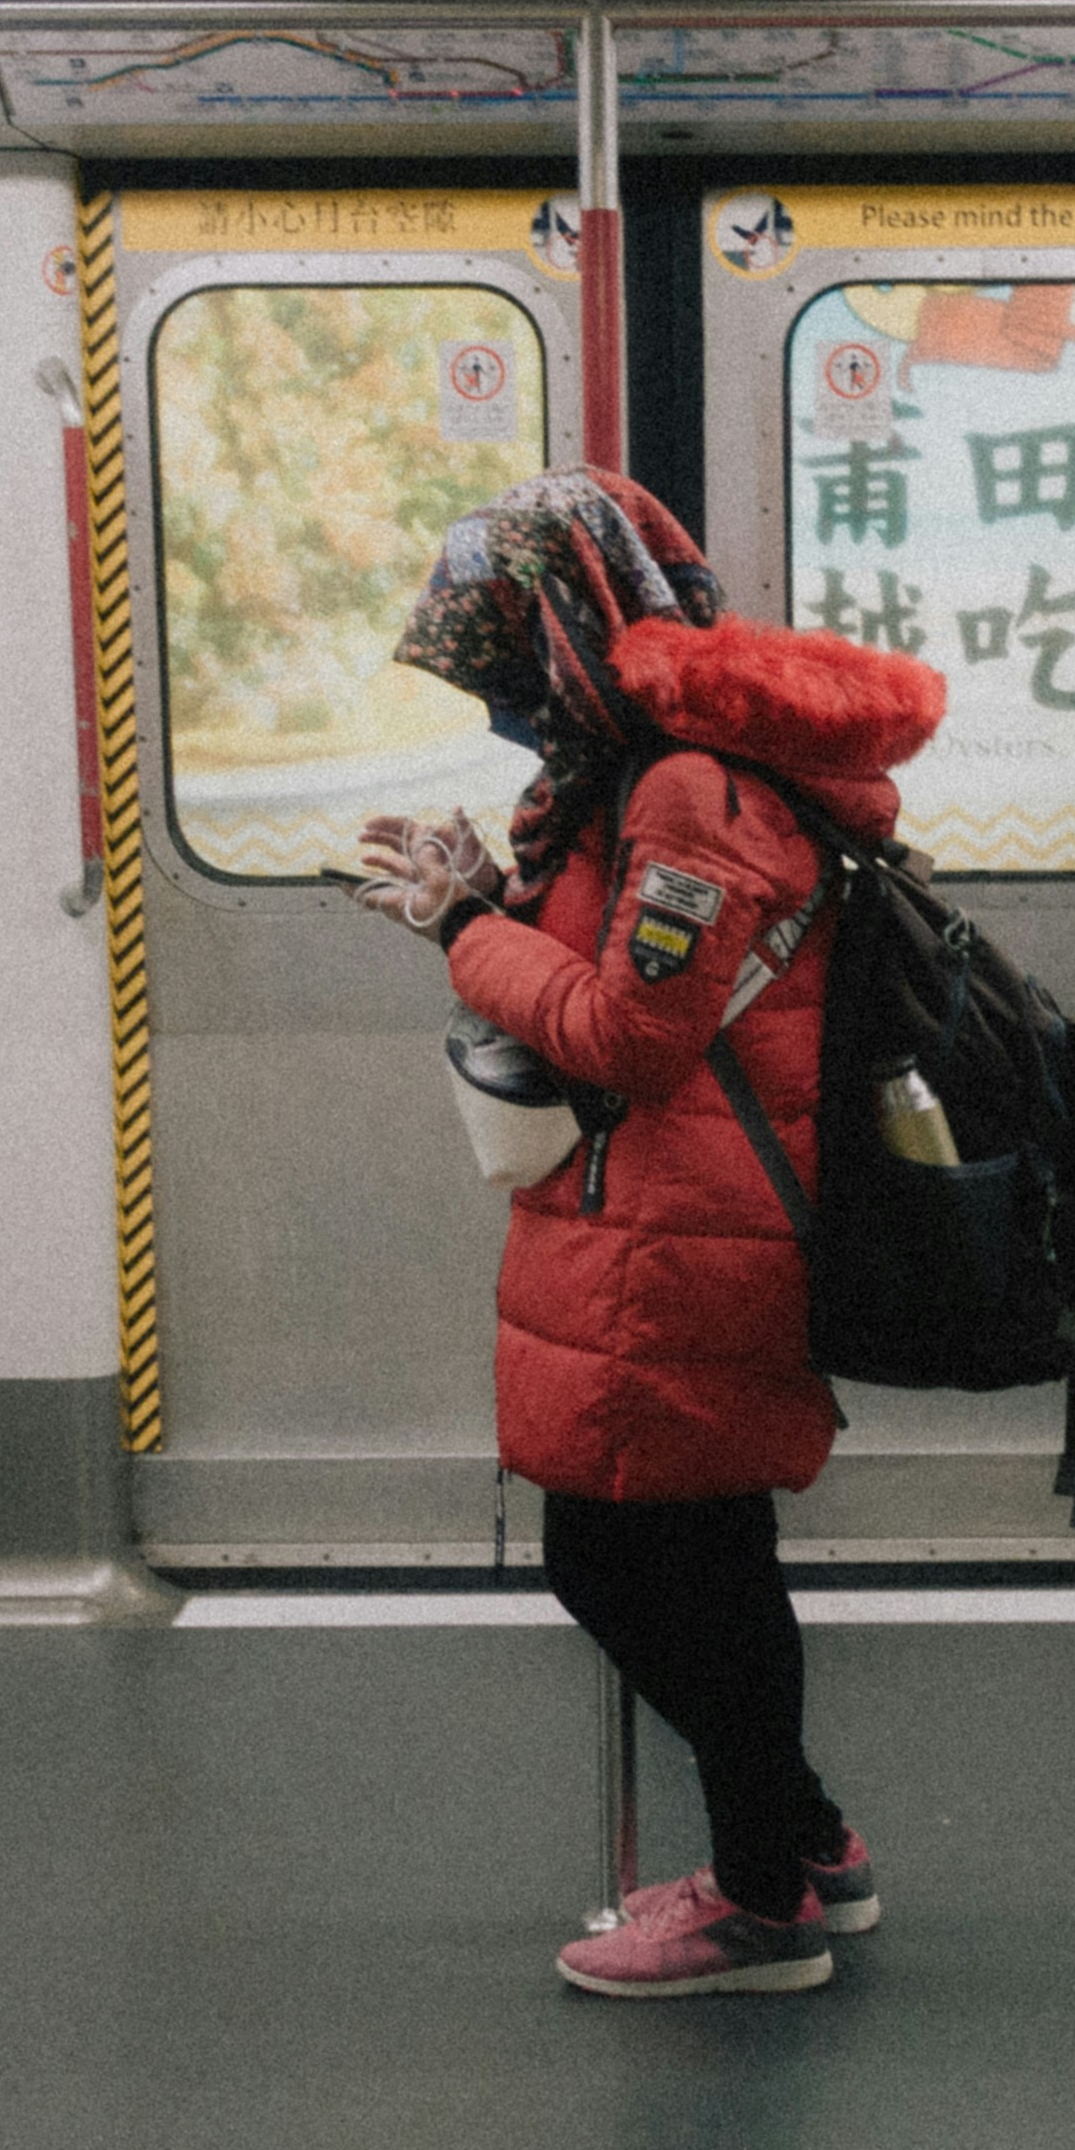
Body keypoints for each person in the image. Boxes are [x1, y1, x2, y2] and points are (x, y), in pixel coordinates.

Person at [354, 471, 946, 1998]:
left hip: (691, 1244)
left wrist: (458, 935)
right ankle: (807, 1846)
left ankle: (761, 1908)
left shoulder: (689, 786)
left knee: (623, 1561)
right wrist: (494, 895)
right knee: (707, 1558)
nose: (505, 702)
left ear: (574, 634)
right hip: (672, 1231)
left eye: (506, 666)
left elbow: (631, 1035)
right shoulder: (663, 773)